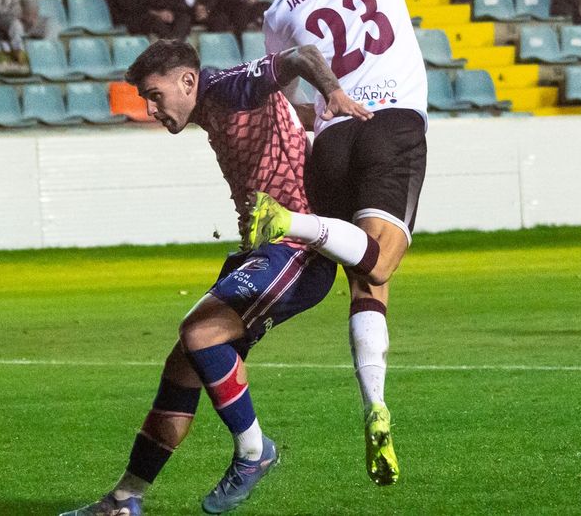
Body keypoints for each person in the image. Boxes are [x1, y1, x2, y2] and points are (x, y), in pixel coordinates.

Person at [246, 0, 570, 486]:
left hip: (332, 140)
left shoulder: (278, 11)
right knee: (382, 262)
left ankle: (375, 407)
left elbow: (280, 93)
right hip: (392, 125)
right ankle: (295, 224)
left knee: (365, 282)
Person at [63, 40, 371, 516]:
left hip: (297, 253)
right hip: (260, 253)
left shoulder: (231, 86)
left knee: (201, 334)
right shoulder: (216, 104)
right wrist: (315, 118)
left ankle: (254, 452)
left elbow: (301, 55)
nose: (149, 109)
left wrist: (333, 93)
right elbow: (285, 113)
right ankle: (125, 500)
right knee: (183, 364)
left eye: (154, 94)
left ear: (187, 81)